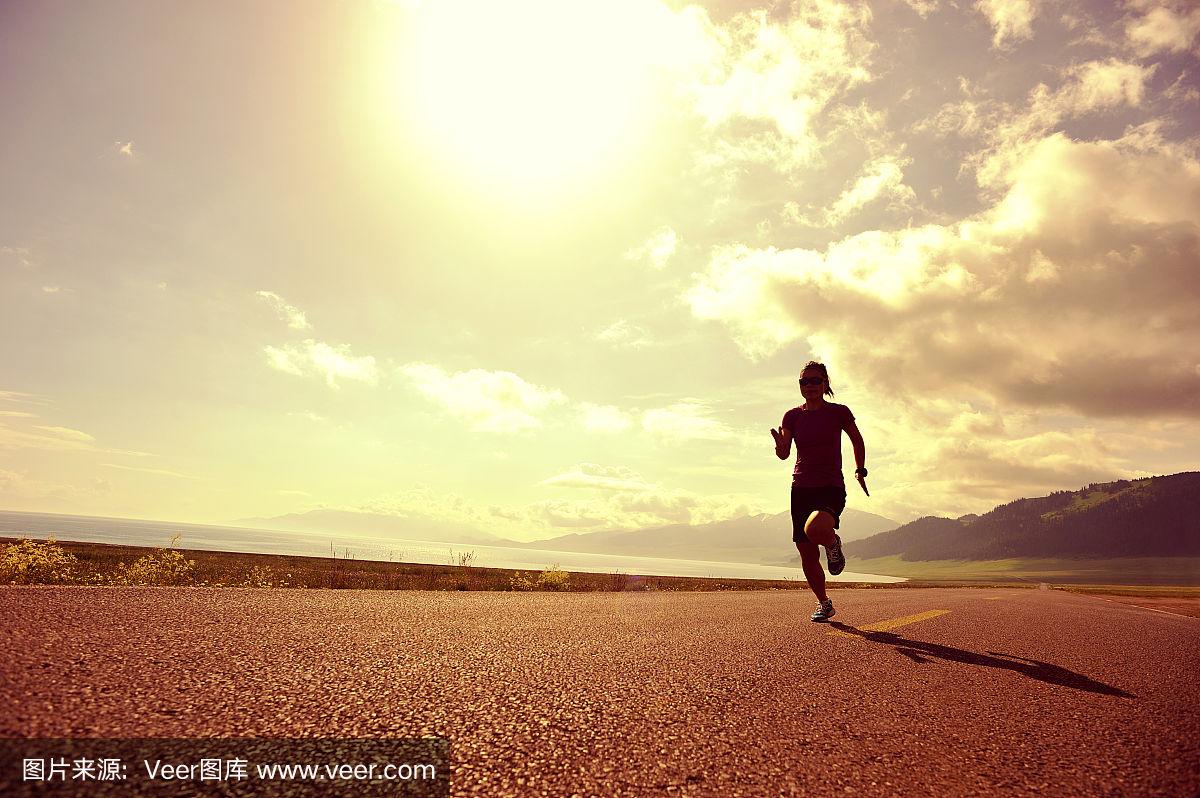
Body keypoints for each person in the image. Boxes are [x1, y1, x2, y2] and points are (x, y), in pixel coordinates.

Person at [770, 361, 868, 622]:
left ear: (825, 383)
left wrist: (860, 470)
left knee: (815, 530)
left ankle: (833, 543)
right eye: (804, 382)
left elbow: (857, 439)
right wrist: (780, 447)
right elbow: (784, 454)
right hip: (800, 488)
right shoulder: (792, 415)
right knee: (806, 551)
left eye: (815, 381)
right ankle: (824, 603)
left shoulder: (839, 412)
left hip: (830, 486)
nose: (810, 386)